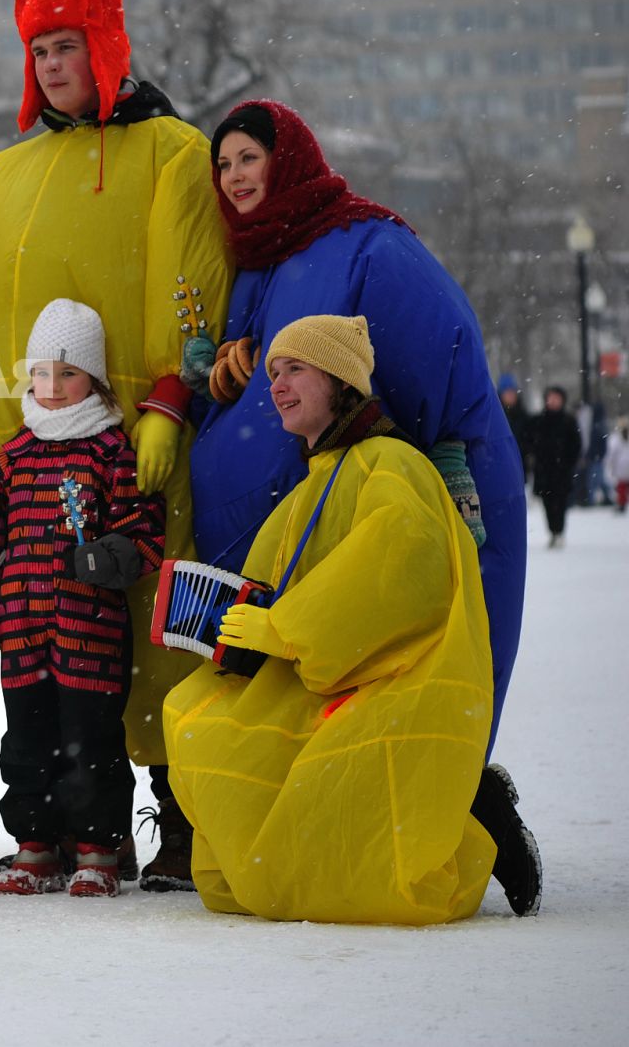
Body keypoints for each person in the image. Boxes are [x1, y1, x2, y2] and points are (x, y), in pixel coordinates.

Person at [0, 0, 232, 892]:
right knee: (41, 678)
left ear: (106, 49)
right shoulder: (1, 175)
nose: (52, 65)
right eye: (39, 51)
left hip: (140, 453)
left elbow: (190, 287)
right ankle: (62, 831)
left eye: (67, 46)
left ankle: (180, 816)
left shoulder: (172, 151)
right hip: (28, 464)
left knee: (158, 641)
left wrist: (168, 399)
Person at [165, 314, 541, 924]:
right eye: (273, 373)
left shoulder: (388, 462)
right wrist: (235, 631)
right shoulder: (313, 481)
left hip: (387, 677)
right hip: (324, 672)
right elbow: (281, 585)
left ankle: (471, 811)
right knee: (196, 720)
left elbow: (401, 567)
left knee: (356, 876)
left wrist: (285, 630)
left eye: (296, 370)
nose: (278, 386)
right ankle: (457, 800)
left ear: (340, 381)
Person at [190, 99, 529, 748]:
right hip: (293, 546)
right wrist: (220, 376)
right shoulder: (256, 262)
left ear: (287, 158)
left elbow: (437, 356)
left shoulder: (369, 244)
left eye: (250, 158)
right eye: (224, 164)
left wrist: (399, 467)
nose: (234, 176)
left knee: (405, 713)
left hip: (384, 519)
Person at [0, 299, 164, 898]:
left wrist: (110, 556)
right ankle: (36, 844)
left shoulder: (111, 452)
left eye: (67, 374)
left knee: (92, 746)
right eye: (42, 373)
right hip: (22, 634)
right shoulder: (12, 459)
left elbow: (146, 531)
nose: (52, 387)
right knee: (25, 742)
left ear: (92, 379)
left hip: (89, 633)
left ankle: (98, 847)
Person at [530, 386, 583, 547]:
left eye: (556, 398)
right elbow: (530, 442)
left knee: (560, 504)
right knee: (547, 504)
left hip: (562, 473)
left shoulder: (569, 421)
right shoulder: (539, 421)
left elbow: (576, 445)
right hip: (544, 472)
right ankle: (552, 532)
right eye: (551, 397)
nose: (553, 401)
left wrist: (569, 463)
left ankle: (559, 532)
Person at [497, 373, 532, 485]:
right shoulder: (495, 416)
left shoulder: (523, 416)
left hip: (519, 464)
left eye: (512, 392)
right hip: (500, 464)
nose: (510, 395)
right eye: (506, 392)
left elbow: (529, 440)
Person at [606, 418, 629, 514]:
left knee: (622, 488)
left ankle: (622, 504)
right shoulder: (616, 439)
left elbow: (612, 454)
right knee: (622, 488)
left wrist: (611, 465)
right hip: (622, 467)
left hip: (622, 467)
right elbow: (612, 454)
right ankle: (622, 504)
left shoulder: (616, 439)